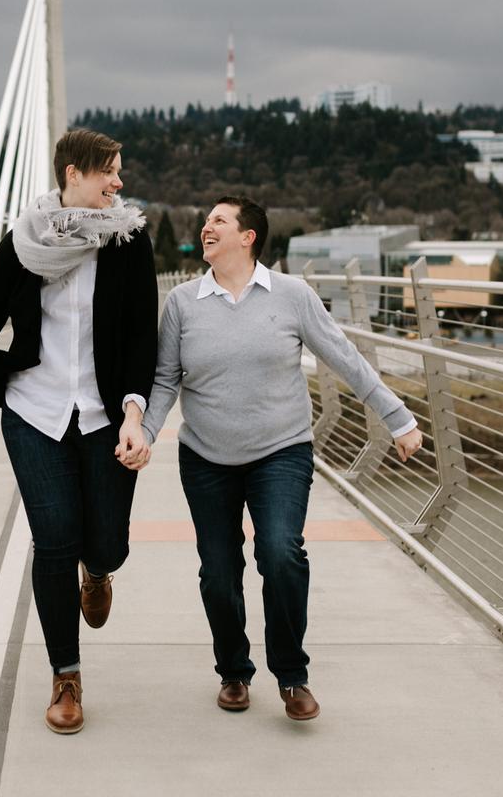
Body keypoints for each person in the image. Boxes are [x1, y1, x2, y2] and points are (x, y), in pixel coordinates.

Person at [0, 129, 157, 735]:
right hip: (33, 409)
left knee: (105, 544)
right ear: (73, 174)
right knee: (54, 539)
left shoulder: (128, 241)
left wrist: (133, 413)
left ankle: (97, 574)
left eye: (120, 172)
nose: (118, 183)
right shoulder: (22, 244)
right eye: (108, 173)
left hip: (102, 415)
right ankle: (66, 677)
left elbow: (141, 335)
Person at [141, 195, 422, 721]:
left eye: (218, 221)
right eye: (206, 221)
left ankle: (292, 676)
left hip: (281, 451)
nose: (206, 227)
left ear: (248, 237)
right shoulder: (182, 302)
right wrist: (147, 433)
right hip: (205, 456)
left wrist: (397, 417)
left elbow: (342, 355)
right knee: (219, 572)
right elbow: (164, 379)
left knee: (281, 553)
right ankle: (233, 672)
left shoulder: (292, 295)